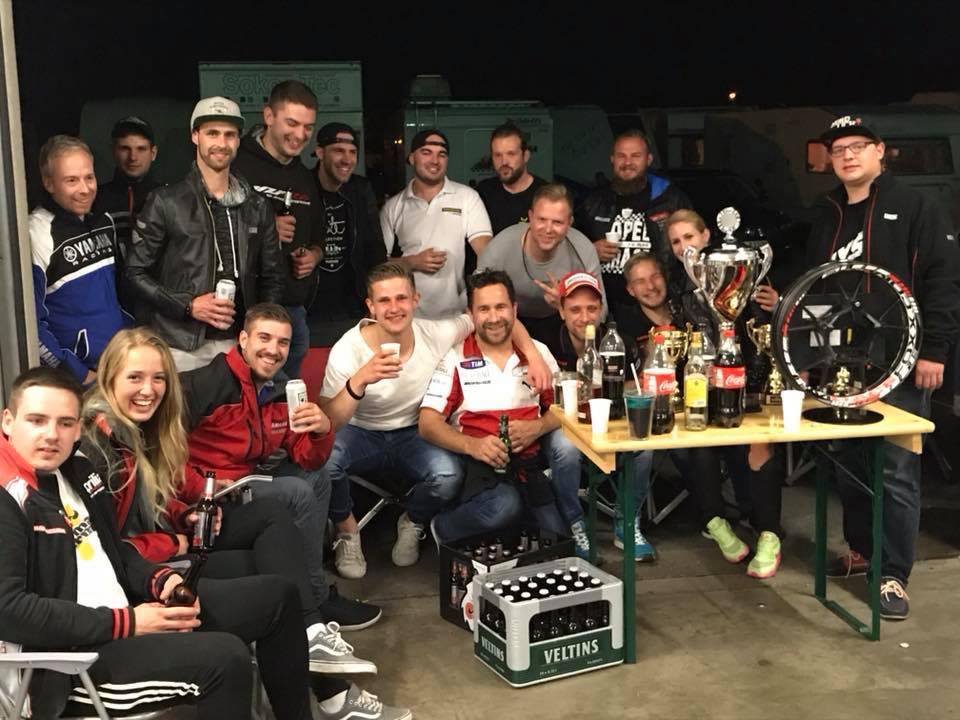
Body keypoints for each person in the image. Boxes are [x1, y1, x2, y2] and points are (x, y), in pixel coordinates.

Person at [78, 328, 413, 718]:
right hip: (140, 582)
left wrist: (184, 514)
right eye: (134, 377)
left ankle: (315, 637)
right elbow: (102, 550)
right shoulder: (97, 449)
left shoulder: (146, 427)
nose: (148, 389)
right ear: (109, 379)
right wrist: (176, 542)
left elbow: (158, 496)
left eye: (158, 379)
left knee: (276, 532)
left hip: (163, 551)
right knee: (279, 589)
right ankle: (330, 685)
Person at [0, 367, 316, 719]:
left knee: (278, 597)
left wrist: (159, 579)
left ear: (77, 429)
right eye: (36, 420)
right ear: (8, 421)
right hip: (69, 666)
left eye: (64, 423)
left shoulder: (75, 469)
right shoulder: (8, 496)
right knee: (225, 659)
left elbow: (113, 550)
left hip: (126, 615)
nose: (50, 435)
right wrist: (129, 622)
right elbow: (9, 611)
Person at [810, 115, 960, 619]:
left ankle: (893, 574)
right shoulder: (827, 212)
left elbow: (943, 278)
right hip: (841, 364)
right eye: (838, 150)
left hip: (902, 362)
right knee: (849, 462)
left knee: (895, 469)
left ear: (880, 151)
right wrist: (808, 354)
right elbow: (816, 286)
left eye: (858, 146)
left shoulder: (916, 205)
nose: (848, 156)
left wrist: (935, 349)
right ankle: (862, 551)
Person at [319, 262, 551, 578]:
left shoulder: (436, 332)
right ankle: (347, 529)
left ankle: (414, 520)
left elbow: (497, 317)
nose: (394, 308)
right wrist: (358, 381)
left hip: (413, 432)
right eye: (384, 301)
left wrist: (533, 356)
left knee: (448, 474)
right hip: (360, 431)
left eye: (401, 298)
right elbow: (329, 422)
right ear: (370, 306)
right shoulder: (348, 349)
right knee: (325, 458)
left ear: (416, 299)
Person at [180, 303, 381, 631]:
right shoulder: (204, 385)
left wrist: (322, 430)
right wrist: (199, 486)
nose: (273, 350)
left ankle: (313, 593)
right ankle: (309, 604)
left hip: (244, 487)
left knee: (317, 477)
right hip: (204, 499)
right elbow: (159, 454)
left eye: (283, 342)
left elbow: (308, 458)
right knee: (296, 491)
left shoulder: (280, 390)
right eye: (264, 338)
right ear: (243, 339)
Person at [420, 270, 591, 558]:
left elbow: (566, 406)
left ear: (514, 309)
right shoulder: (455, 357)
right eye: (483, 309)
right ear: (470, 314)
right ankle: (444, 527)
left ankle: (526, 522)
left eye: (500, 307)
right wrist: (473, 445)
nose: (494, 317)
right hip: (480, 469)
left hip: (529, 468)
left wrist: (538, 427)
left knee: (560, 549)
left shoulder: (537, 353)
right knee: (503, 506)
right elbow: (427, 424)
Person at [127, 96, 284, 371]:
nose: (221, 143)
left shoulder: (257, 205)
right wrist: (188, 305)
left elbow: (272, 277)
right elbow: (134, 273)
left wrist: (259, 332)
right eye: (212, 133)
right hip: (180, 344)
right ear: (195, 136)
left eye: (229, 135)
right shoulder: (166, 201)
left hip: (239, 345)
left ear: (238, 140)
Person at [546, 270, 655, 560]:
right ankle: (574, 525)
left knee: (643, 443)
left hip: (612, 420)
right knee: (565, 448)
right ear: (561, 311)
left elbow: (637, 385)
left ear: (602, 310)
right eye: (575, 310)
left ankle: (626, 521)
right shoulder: (548, 343)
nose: (585, 317)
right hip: (565, 424)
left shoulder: (620, 342)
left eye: (592, 308)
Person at [233, 80, 324, 377]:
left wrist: (314, 256)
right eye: (292, 123)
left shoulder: (305, 176)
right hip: (247, 309)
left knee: (287, 397)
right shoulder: (237, 163)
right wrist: (265, 228)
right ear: (269, 116)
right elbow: (210, 227)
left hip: (293, 312)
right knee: (246, 394)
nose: (300, 135)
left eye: (308, 127)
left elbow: (319, 235)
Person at [30, 134, 129, 384]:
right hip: (76, 380)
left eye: (89, 177)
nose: (85, 189)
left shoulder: (104, 222)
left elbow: (120, 298)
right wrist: (78, 374)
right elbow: (31, 325)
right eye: (71, 180)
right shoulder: (36, 233)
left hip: (117, 365)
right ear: (49, 183)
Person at [575, 129, 692, 322]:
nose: (628, 162)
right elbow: (569, 248)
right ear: (612, 159)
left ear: (649, 159)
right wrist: (590, 249)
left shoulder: (670, 199)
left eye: (635, 156)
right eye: (621, 156)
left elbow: (692, 251)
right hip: (606, 308)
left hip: (659, 306)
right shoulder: (593, 202)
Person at [381, 128, 492, 318]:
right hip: (408, 316)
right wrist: (412, 262)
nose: (435, 160)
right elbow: (379, 265)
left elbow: (488, 254)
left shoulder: (467, 197)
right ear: (412, 158)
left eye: (442, 154)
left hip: (456, 315)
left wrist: (476, 297)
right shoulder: (393, 207)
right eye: (426, 152)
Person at [478, 183, 606, 343]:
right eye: (542, 220)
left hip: (560, 321)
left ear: (569, 223)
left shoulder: (583, 248)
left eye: (557, 222)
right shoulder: (501, 246)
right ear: (530, 217)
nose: (548, 229)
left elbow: (601, 311)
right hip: (510, 321)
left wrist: (565, 305)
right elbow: (475, 301)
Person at [310, 121, 387, 346]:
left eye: (352, 152)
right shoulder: (302, 186)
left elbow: (375, 250)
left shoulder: (360, 190)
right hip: (310, 308)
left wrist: (378, 300)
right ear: (320, 152)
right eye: (338, 151)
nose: (347, 159)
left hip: (353, 307)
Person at [93, 116, 162, 263]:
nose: (133, 157)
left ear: (153, 153)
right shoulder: (94, 199)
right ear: (113, 151)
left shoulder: (169, 198)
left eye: (141, 149)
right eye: (125, 148)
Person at [476, 122, 548, 235]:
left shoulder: (546, 194)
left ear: (525, 156)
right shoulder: (483, 192)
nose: (504, 162)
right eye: (498, 155)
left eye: (511, 154)